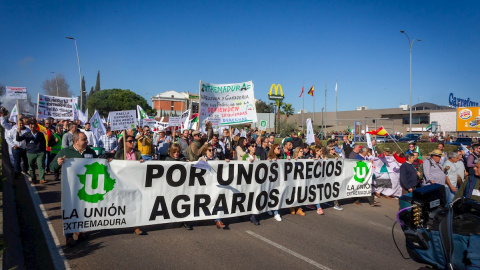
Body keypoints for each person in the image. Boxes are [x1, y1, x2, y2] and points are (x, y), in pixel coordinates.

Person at [50, 131, 97, 247]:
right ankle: (69, 236)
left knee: (82, 210)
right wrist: (58, 163)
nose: (87, 141)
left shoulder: (90, 152)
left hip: (86, 187)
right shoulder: (65, 151)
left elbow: (99, 163)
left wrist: (107, 161)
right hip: (70, 188)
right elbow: (51, 167)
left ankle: (80, 232)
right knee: (70, 211)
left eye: (86, 139)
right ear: (76, 141)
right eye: (84, 139)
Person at [16, 120, 47, 184]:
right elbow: (18, 139)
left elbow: (44, 143)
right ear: (30, 128)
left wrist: (43, 152)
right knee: (31, 167)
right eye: (31, 127)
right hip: (30, 152)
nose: (33, 128)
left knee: (41, 165)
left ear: (36, 127)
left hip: (39, 152)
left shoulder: (40, 134)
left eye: (34, 127)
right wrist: (17, 133)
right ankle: (33, 179)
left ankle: (42, 179)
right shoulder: (27, 134)